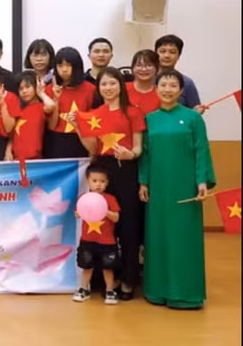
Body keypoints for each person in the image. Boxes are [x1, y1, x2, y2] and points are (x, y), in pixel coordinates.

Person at [138, 69, 216, 310]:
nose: (168, 89)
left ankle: (186, 293)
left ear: (181, 90)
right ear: (156, 88)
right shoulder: (149, 119)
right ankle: (157, 291)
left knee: (184, 239)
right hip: (158, 188)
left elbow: (201, 150)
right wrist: (143, 181)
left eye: (173, 85)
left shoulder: (193, 118)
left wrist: (201, 181)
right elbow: (145, 155)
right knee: (158, 237)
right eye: (163, 85)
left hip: (186, 188)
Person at [71, 67, 145, 301]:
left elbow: (138, 148)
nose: (108, 88)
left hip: (127, 170)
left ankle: (129, 279)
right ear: (98, 88)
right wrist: (78, 128)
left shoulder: (133, 112)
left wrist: (129, 155)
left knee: (128, 227)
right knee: (100, 225)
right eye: (104, 84)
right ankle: (101, 279)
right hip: (103, 171)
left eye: (113, 83)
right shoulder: (95, 113)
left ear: (121, 86)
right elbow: (92, 149)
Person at [72, 163, 121, 305]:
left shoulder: (110, 199)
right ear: (88, 181)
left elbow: (116, 218)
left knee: (108, 267)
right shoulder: (84, 198)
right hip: (87, 240)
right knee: (87, 266)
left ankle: (110, 290)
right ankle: (83, 289)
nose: (98, 184)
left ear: (107, 182)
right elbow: (76, 214)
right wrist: (78, 212)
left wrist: (104, 209)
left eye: (102, 181)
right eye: (94, 181)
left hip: (107, 241)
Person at [44, 47, 95, 159]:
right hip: (56, 141)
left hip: (81, 139)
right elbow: (51, 127)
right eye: (60, 65)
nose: (64, 69)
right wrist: (56, 99)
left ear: (76, 66)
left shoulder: (90, 89)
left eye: (68, 65)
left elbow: (93, 123)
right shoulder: (49, 89)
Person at [5, 71, 56, 161]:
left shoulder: (40, 107)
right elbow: (12, 133)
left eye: (28, 87)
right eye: (21, 89)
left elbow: (51, 105)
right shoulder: (18, 109)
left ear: (36, 87)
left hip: (34, 159)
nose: (24, 91)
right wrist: (8, 150)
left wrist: (41, 93)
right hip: (16, 159)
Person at [154, 34, 203, 112]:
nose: (167, 55)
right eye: (162, 51)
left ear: (178, 56)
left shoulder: (187, 83)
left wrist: (197, 112)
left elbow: (193, 113)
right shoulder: (146, 80)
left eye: (172, 52)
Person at [126, 50, 161, 116]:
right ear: (132, 68)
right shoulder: (122, 90)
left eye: (149, 65)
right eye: (139, 65)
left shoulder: (161, 93)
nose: (144, 69)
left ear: (157, 68)